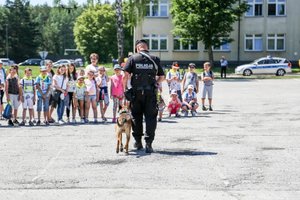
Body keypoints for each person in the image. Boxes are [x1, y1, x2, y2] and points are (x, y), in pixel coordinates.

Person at [123, 39, 165, 153]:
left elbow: (125, 75)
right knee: (151, 118)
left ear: (137, 48)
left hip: (136, 93)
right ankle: (149, 143)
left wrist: (125, 90)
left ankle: (138, 142)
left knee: (136, 117)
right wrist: (155, 83)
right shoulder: (155, 59)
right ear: (147, 47)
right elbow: (162, 76)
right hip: (151, 93)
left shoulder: (133, 58)